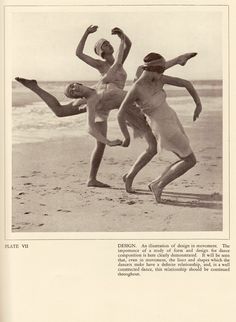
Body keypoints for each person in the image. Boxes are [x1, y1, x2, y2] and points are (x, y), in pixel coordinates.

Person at [15, 25, 198, 187]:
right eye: (104, 44)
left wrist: (122, 36)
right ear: (100, 52)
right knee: (62, 112)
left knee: (98, 137)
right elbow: (80, 54)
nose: (108, 45)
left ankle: (93, 179)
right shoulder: (101, 64)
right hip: (101, 96)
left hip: (112, 100)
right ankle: (35, 87)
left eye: (109, 43)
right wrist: (87, 33)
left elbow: (129, 48)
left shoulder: (118, 63)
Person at [117, 52, 202, 203]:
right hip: (162, 126)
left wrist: (198, 104)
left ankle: (153, 183)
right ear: (151, 69)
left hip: (171, 119)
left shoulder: (158, 78)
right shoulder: (137, 88)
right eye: (161, 70)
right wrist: (126, 136)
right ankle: (158, 184)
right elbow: (120, 113)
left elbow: (186, 83)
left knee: (185, 158)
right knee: (190, 160)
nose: (163, 72)